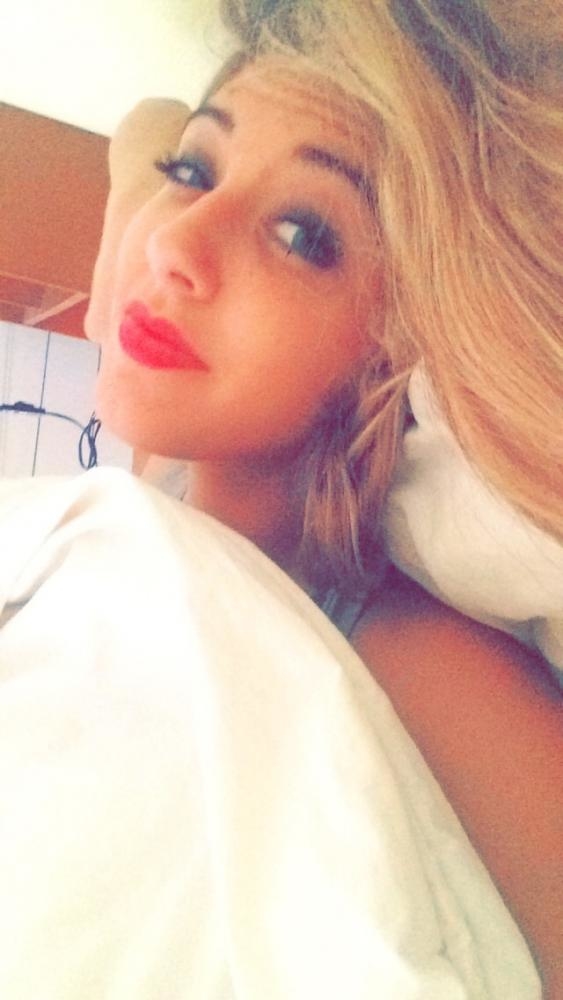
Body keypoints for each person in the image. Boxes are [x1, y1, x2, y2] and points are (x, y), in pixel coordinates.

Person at [84, 0, 563, 991]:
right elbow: (142, 128)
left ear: (395, 341)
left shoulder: (414, 661)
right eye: (195, 172)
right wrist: (130, 218)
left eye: (301, 234)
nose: (175, 243)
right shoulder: (160, 482)